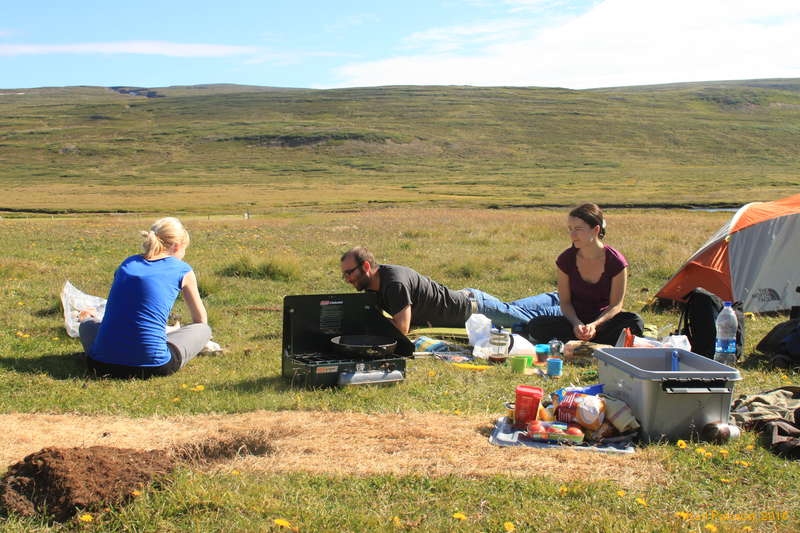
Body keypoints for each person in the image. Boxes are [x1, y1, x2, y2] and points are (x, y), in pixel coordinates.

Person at [78, 217, 212, 378]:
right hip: (154, 365)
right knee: (203, 330)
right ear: (177, 246)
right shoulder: (182, 270)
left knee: (86, 325)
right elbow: (200, 319)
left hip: (99, 364)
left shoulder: (127, 264)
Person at [340, 246, 561, 335]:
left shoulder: (393, 283)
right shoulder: (372, 287)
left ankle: (567, 309)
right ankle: (555, 297)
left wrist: (368, 323)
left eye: (349, 272)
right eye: (344, 275)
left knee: (530, 321)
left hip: (475, 309)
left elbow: (402, 328)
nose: (347, 279)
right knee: (513, 309)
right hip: (469, 301)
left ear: (366, 266)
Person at [528, 203, 643, 345]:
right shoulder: (565, 259)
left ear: (596, 230)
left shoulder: (616, 261)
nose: (572, 235)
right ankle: (592, 341)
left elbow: (615, 305)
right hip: (574, 321)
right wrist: (576, 324)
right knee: (536, 325)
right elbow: (565, 303)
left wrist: (594, 325)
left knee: (635, 322)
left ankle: (580, 341)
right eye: (570, 229)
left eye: (578, 229)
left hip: (604, 321)